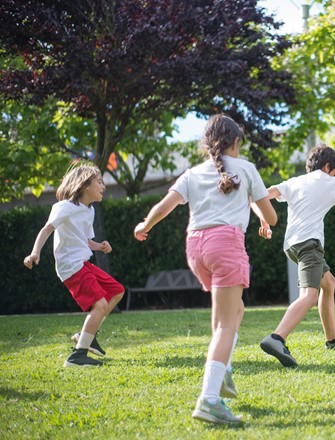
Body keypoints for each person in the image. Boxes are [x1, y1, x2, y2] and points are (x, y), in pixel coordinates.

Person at [134, 114, 277, 424]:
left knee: (233, 311)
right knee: (228, 322)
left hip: (196, 249)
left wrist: (145, 224)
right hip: (226, 245)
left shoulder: (194, 172)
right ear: (236, 142)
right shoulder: (247, 169)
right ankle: (210, 399)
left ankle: (222, 370)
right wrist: (265, 217)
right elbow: (272, 216)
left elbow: (165, 206)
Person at [257, 144, 335, 368]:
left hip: (291, 245)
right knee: (309, 296)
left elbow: (265, 195)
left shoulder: (294, 181)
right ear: (328, 167)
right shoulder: (329, 181)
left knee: (328, 282)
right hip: (309, 244)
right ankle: (276, 338)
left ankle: (333, 339)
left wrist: (264, 220)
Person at [24, 162, 124, 367]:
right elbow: (47, 229)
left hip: (83, 262)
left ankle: (86, 335)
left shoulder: (89, 211)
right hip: (71, 266)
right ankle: (77, 357)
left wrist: (100, 246)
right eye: (99, 182)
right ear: (85, 185)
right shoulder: (64, 207)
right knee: (100, 305)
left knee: (116, 290)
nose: (103, 186)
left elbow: (85, 241)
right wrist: (35, 253)